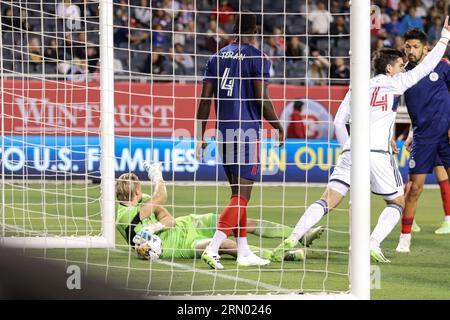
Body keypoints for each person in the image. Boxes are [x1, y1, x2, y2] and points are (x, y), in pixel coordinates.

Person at [271, 18, 450, 263]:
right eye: (400, 64)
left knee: (327, 199)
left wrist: (350, 148)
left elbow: (338, 122)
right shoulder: (396, 83)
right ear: (389, 69)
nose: (404, 66)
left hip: (351, 151)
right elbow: (427, 66)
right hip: (377, 153)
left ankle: (293, 237)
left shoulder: (357, 87)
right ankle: (372, 243)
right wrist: (444, 38)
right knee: (397, 202)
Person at [195, 12, 284, 269]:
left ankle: (243, 251)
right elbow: (261, 98)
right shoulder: (257, 56)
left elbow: (204, 100)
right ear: (255, 30)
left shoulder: (215, 57)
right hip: (247, 134)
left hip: (223, 133)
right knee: (242, 197)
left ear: (233, 29)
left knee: (236, 194)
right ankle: (213, 248)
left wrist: (201, 135)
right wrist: (277, 125)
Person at [116, 163, 323, 262]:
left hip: (188, 223)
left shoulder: (141, 202)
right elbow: (161, 196)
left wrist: (158, 225)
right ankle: (279, 255)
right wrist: (156, 175)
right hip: (178, 245)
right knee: (224, 245)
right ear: (136, 191)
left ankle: (300, 235)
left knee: (241, 222)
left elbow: (166, 216)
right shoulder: (124, 217)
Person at [395, 29, 450, 253]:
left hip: (446, 134)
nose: (410, 51)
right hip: (423, 138)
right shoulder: (402, 75)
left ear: (426, 48)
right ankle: (404, 239)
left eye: (415, 47)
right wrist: (410, 133)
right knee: (415, 189)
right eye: (407, 47)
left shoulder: (443, 65)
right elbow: (413, 108)